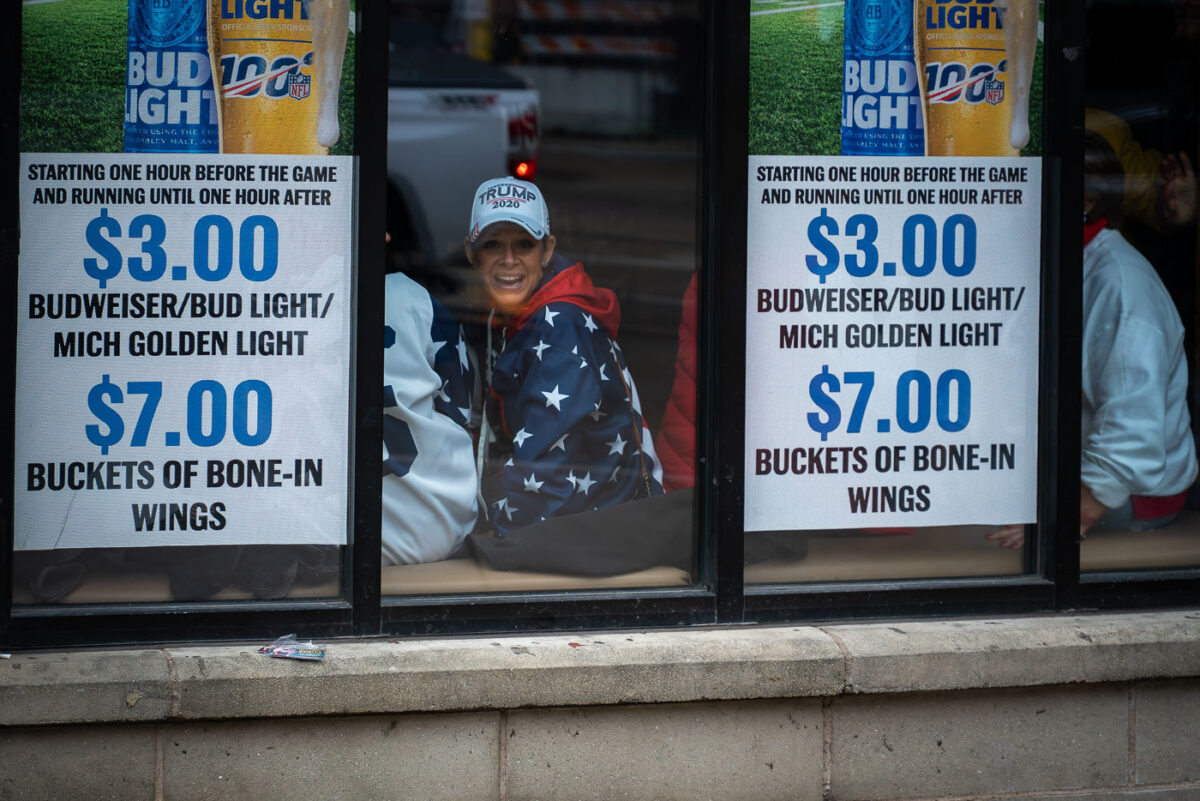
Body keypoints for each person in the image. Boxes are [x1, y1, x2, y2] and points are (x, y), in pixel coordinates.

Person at [990, 132, 1198, 548]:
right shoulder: (1061, 261)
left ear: (1085, 202)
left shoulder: (1121, 286)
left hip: (1126, 494)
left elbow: (1132, 436)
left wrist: (1063, 520)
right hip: (1058, 473)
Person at [465, 176, 664, 536]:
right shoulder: (511, 315)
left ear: (547, 251)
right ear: (471, 252)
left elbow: (545, 481)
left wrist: (494, 532)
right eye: (493, 245)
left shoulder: (559, 326)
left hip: (593, 532)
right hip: (571, 523)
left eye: (524, 244)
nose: (508, 260)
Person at [381, 265, 479, 564]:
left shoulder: (304, 300)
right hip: (439, 525)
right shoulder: (412, 297)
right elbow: (460, 410)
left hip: (342, 541)